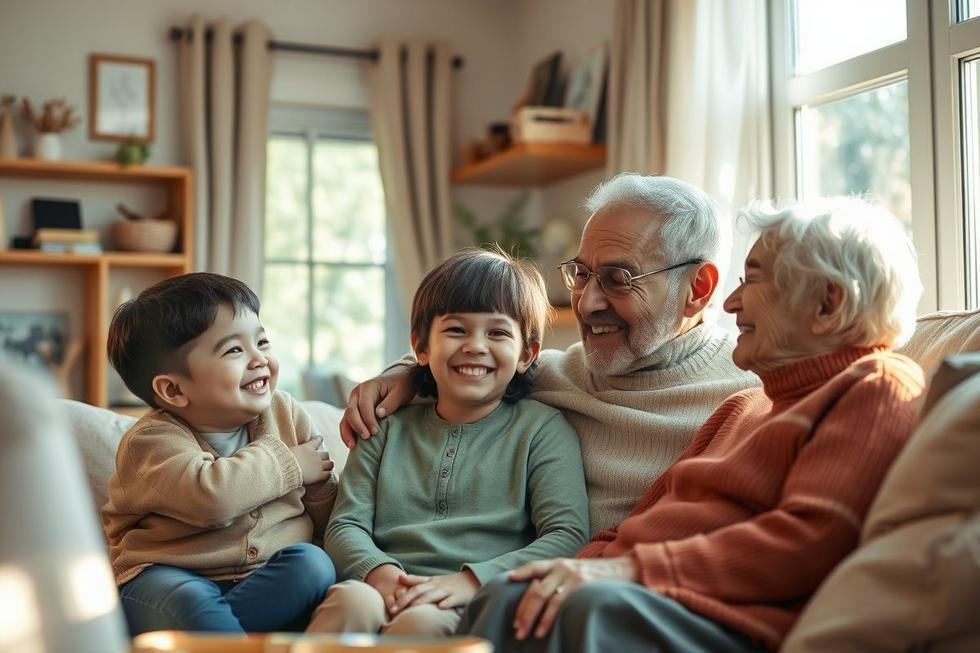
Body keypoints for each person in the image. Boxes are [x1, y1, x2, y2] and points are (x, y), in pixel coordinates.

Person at [457, 197, 927, 652]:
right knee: (510, 596)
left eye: (754, 281)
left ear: (828, 303)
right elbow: (634, 528)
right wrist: (561, 573)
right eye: (583, 275)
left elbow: (810, 541)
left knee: (588, 606)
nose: (731, 304)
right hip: (640, 594)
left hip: (718, 616)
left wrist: (626, 571)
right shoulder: (744, 405)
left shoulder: (876, 385)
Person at [341, 174, 758, 535]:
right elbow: (467, 365)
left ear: (698, 288)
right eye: (581, 274)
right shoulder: (552, 376)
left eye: (617, 279)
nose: (587, 302)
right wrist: (408, 373)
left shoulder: (751, 392)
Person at [305, 247, 589, 636]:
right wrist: (380, 572)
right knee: (350, 602)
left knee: (420, 624)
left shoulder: (543, 430)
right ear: (421, 347)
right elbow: (345, 524)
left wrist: (472, 581)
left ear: (527, 353)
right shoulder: (385, 427)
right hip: (381, 584)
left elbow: (567, 535)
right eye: (456, 329)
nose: (475, 345)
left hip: (472, 600)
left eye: (498, 332)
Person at [102, 272, 338, 635]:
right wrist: (291, 464)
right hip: (165, 577)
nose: (259, 359)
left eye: (261, 341)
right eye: (234, 350)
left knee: (314, 565)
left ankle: (208, 637)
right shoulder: (150, 443)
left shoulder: (285, 413)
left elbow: (323, 498)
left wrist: (327, 502)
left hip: (264, 579)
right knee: (187, 600)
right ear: (173, 390)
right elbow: (211, 497)